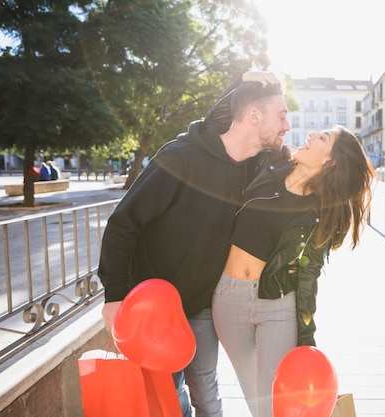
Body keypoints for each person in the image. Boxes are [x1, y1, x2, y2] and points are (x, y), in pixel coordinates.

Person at [97, 71, 289, 417]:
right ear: (255, 117)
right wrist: (114, 294)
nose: (288, 125)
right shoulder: (181, 157)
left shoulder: (255, 169)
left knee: (207, 393)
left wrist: (242, 84)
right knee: (168, 396)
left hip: (202, 304)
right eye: (282, 114)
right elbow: (123, 223)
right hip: (154, 303)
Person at [212, 125, 375, 417]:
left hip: (278, 303)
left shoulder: (320, 213)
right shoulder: (266, 166)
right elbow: (229, 123)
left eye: (322, 138)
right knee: (254, 395)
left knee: (271, 403)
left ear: (330, 161)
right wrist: (247, 80)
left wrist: (306, 344)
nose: (311, 134)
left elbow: (308, 276)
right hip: (228, 298)